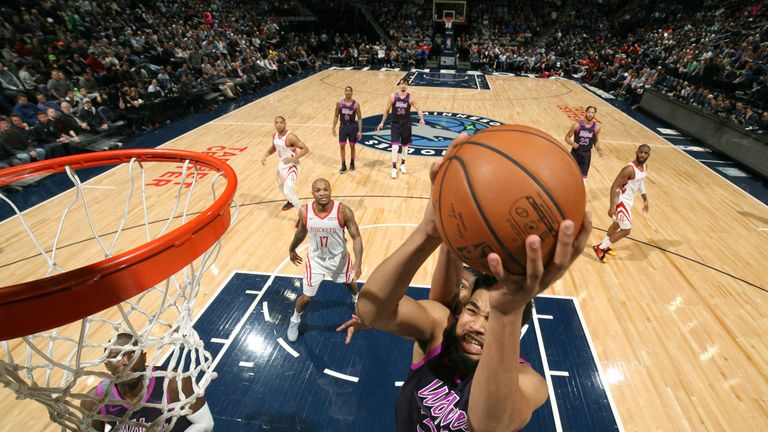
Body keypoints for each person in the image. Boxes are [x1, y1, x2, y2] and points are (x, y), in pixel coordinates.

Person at [356, 133, 591, 431]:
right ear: (460, 310)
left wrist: (507, 311)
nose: (479, 326)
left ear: (517, 332)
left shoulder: (529, 383)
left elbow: (488, 424)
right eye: (473, 311)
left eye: (493, 320)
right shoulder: (439, 332)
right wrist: (429, 232)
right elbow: (371, 310)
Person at [80, 333, 214, 432]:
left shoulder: (174, 382)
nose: (126, 361)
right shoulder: (94, 401)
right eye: (116, 357)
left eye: (132, 354)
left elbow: (205, 423)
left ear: (144, 358)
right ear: (107, 366)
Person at [286, 178, 364, 342]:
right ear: (312, 193)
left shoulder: (343, 211)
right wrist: (292, 248)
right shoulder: (305, 212)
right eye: (318, 190)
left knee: (349, 282)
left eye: (325, 189)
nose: (322, 193)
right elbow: (301, 232)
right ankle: (295, 320)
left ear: (330, 191)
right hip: (316, 260)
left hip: (339, 258)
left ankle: (356, 297)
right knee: (306, 298)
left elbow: (356, 237)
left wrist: (358, 262)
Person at [593, 144, 650, 263]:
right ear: (636, 152)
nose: (643, 155)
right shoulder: (629, 169)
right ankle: (599, 247)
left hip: (629, 201)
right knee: (626, 230)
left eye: (645, 153)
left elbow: (640, 182)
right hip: (621, 202)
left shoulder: (644, 167)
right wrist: (612, 205)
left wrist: (645, 199)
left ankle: (604, 245)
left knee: (616, 225)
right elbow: (614, 186)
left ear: (648, 155)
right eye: (641, 152)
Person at [376, 78, 425, 179]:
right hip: (395, 125)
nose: (403, 85)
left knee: (405, 147)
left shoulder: (410, 98)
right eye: (402, 84)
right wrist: (382, 122)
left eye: (405, 84)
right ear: (399, 85)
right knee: (394, 147)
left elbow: (418, 108)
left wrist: (422, 118)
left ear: (407, 86)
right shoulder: (393, 97)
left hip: (406, 125)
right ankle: (393, 167)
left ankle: (402, 164)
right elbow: (386, 110)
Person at [261, 116, 310, 211]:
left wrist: (294, 159)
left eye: (281, 122)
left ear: (285, 124)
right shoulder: (274, 135)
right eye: (277, 123)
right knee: (280, 186)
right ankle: (290, 201)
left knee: (288, 190)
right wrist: (266, 155)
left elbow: (306, 149)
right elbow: (275, 147)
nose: (279, 124)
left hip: (292, 166)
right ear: (274, 124)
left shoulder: (290, 137)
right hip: (282, 165)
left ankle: (302, 214)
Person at [564, 106, 603, 182]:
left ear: (595, 114)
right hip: (575, 152)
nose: (590, 114)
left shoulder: (596, 128)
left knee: (583, 179)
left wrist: (599, 149)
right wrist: (572, 144)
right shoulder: (577, 125)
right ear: (585, 112)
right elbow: (567, 137)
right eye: (589, 112)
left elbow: (596, 141)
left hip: (586, 154)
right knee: (569, 174)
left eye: (592, 113)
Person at [331, 86, 362, 174]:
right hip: (343, 127)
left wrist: (360, 131)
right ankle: (343, 165)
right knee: (342, 146)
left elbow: (359, 118)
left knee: (352, 146)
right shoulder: (339, 103)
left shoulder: (356, 104)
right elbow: (336, 115)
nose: (348, 92)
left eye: (350, 91)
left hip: (352, 127)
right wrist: (333, 127)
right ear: (344, 92)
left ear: (352, 93)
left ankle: (352, 163)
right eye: (346, 91)